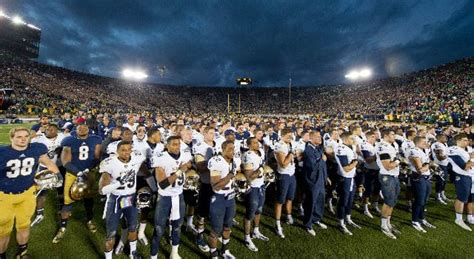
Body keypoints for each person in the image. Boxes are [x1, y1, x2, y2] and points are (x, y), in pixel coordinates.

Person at [0, 127, 60, 259]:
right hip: (4, 196)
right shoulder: (2, 152)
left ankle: (22, 253)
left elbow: (49, 163)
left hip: (27, 194)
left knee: (24, 225)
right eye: (19, 137)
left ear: (29, 137)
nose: (23, 139)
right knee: (3, 231)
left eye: (25, 136)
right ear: (11, 138)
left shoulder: (36, 149)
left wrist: (58, 176)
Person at [53, 123, 102, 243]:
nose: (82, 129)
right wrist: (79, 172)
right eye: (79, 127)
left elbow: (97, 157)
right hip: (72, 174)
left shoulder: (95, 139)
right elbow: (65, 162)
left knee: (88, 199)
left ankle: (89, 220)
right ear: (76, 129)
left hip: (89, 173)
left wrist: (89, 169)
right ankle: (63, 226)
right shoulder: (69, 140)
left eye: (85, 127)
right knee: (68, 200)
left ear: (88, 129)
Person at [99, 141, 146, 259]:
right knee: (111, 234)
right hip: (116, 199)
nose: (126, 152)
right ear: (117, 152)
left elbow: (144, 157)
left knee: (133, 227)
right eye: (123, 150)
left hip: (131, 197)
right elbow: (102, 190)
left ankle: (132, 252)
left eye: (128, 149)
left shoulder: (136, 158)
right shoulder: (109, 163)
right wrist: (119, 183)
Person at [151, 136, 192, 259]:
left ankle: (174, 253)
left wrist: (188, 169)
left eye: (178, 144)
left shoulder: (184, 155)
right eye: (173, 144)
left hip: (179, 196)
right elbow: (163, 184)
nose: (177, 146)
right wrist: (180, 171)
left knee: (177, 226)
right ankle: (153, 255)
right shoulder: (161, 158)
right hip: (165, 198)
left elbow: (189, 164)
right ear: (167, 146)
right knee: (159, 229)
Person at [30, 124, 65, 227]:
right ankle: (40, 212)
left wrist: (61, 149)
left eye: (51, 129)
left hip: (59, 166)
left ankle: (61, 207)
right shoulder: (39, 139)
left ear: (56, 131)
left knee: (60, 188)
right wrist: (34, 134)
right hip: (44, 167)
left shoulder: (63, 136)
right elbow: (28, 142)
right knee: (41, 191)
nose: (48, 131)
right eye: (47, 129)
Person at [208, 141, 237, 259]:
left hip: (230, 197)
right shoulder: (216, 161)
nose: (233, 151)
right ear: (223, 149)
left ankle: (225, 250)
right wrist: (230, 175)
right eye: (230, 149)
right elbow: (216, 185)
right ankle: (213, 254)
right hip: (219, 198)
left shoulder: (232, 161)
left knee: (227, 226)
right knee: (216, 229)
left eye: (233, 149)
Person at [193, 126, 219, 252]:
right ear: (204, 134)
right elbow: (200, 167)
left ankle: (214, 233)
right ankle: (199, 236)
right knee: (202, 213)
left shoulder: (218, 144)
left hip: (218, 183)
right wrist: (213, 163)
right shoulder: (200, 147)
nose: (213, 135)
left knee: (216, 211)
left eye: (214, 132)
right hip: (207, 183)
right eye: (210, 133)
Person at [242, 137, 270, 252]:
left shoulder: (260, 151)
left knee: (259, 210)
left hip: (261, 186)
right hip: (252, 188)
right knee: (250, 213)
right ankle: (247, 237)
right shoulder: (248, 155)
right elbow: (249, 177)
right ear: (249, 145)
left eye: (257, 142)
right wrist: (260, 170)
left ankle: (256, 231)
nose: (257, 144)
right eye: (254, 143)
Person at [301, 131, 329, 236]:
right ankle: (308, 224)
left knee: (320, 200)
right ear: (311, 139)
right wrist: (322, 159)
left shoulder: (317, 148)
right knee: (311, 202)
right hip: (313, 180)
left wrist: (326, 177)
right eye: (317, 137)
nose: (320, 138)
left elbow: (322, 166)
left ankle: (316, 219)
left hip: (320, 179)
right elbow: (312, 166)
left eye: (320, 136)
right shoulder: (308, 150)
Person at [376, 129, 401, 239]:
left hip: (394, 175)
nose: (394, 135)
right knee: (388, 201)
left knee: (393, 201)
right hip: (387, 176)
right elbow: (388, 166)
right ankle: (383, 225)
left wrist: (396, 162)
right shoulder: (383, 146)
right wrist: (398, 161)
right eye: (392, 133)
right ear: (386, 135)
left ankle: (388, 223)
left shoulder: (392, 145)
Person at [335, 132, 361, 235]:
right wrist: (355, 163)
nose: (353, 140)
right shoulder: (341, 148)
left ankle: (348, 218)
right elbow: (346, 168)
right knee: (343, 200)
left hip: (351, 177)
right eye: (351, 138)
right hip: (344, 178)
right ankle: (340, 222)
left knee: (350, 200)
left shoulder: (350, 147)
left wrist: (355, 163)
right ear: (345, 139)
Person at [408, 137, 436, 232]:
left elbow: (427, 165)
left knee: (425, 200)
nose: (426, 143)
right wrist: (429, 165)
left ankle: (421, 218)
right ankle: (415, 221)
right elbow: (420, 170)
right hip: (419, 178)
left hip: (426, 177)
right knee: (419, 200)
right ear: (417, 143)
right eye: (424, 142)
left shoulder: (424, 150)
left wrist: (429, 165)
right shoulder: (414, 151)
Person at [274, 128, 297, 238]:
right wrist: (291, 154)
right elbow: (283, 164)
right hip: (283, 175)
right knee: (280, 200)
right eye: (288, 136)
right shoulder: (280, 145)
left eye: (291, 136)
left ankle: (288, 215)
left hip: (291, 174)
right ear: (282, 136)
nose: (290, 138)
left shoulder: (290, 144)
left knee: (290, 198)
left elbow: (293, 158)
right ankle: (277, 223)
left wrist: (294, 154)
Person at [448, 133, 474, 231]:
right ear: (458, 141)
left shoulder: (466, 150)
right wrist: (471, 159)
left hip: (470, 175)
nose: (467, 142)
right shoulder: (453, 149)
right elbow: (464, 166)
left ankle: (470, 217)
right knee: (462, 197)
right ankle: (458, 219)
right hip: (462, 176)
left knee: (471, 197)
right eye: (465, 140)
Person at [360, 130, 381, 218]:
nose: (375, 138)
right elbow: (368, 159)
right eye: (373, 136)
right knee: (367, 190)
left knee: (377, 189)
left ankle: (375, 205)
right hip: (369, 170)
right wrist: (378, 155)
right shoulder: (365, 145)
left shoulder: (377, 145)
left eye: (375, 136)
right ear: (368, 137)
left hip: (378, 169)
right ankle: (365, 208)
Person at [431, 134, 450, 204]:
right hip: (439, 164)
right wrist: (448, 155)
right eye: (444, 137)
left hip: (445, 164)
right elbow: (440, 157)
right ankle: (437, 196)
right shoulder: (437, 144)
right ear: (439, 138)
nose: (446, 138)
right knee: (440, 180)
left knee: (444, 181)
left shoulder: (445, 144)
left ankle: (442, 194)